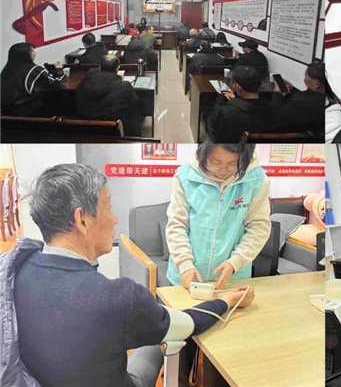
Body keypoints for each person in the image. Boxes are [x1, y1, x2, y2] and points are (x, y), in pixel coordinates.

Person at [0, 163, 255, 387]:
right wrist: (227, 301)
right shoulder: (119, 298)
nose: (115, 219)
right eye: (108, 207)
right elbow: (188, 324)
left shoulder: (14, 272)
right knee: (153, 347)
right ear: (82, 220)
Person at [165, 144, 270, 384]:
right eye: (216, 163)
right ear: (204, 154)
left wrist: (235, 261)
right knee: (182, 346)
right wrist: (184, 263)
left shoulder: (256, 179)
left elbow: (259, 226)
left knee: (226, 350)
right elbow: (177, 224)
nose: (223, 170)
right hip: (186, 279)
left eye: (232, 164)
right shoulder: (185, 176)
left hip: (231, 280)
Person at [207, 66, 286, 143]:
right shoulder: (275, 110)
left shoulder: (226, 113)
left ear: (238, 86)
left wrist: (221, 97)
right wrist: (235, 100)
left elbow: (214, 120)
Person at [75, 55, 145, 137]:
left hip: (86, 127)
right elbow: (136, 104)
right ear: (117, 68)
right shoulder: (125, 86)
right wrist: (119, 80)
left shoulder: (85, 80)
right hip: (113, 129)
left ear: (99, 67)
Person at [1, 43, 64, 117]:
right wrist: (59, 70)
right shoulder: (34, 70)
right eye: (32, 51)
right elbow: (55, 84)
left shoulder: (6, 72)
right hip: (29, 113)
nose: (35, 52)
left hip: (7, 115)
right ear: (26, 55)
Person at [271, 62, 328, 138]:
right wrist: (293, 89)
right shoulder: (328, 98)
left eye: (305, 76)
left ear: (316, 83)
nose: (304, 79)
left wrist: (277, 94)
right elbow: (305, 96)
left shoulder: (300, 103)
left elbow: (276, 115)